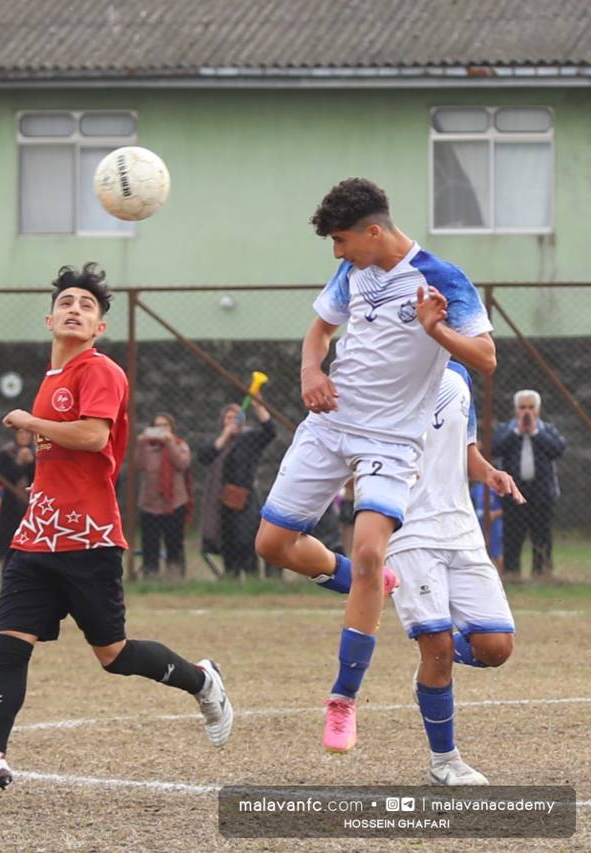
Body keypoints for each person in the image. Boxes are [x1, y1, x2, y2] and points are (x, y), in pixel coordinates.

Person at [0, 263, 232, 795]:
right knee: (10, 646)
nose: (75, 309)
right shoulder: (49, 382)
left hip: (89, 539)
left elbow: (92, 437)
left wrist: (30, 422)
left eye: (87, 306)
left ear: (99, 328)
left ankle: (202, 680)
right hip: (35, 538)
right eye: (66, 302)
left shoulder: (100, 371)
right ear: (49, 319)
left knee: (114, 655)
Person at [254, 178, 495, 753]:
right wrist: (312, 372)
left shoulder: (443, 279)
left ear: (374, 231)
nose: (337, 253)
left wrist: (436, 329)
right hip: (331, 424)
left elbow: (486, 358)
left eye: (341, 241)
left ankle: (343, 699)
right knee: (272, 544)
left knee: (368, 549)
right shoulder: (353, 274)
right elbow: (319, 331)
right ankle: (368, 584)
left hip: (390, 441)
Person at [389, 362, 522, 785]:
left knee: (495, 647)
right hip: (409, 529)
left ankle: (432, 667)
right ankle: (444, 760)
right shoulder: (383, 367)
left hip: (461, 528)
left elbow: (463, 448)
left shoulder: (458, 375)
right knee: (439, 646)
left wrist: (488, 472)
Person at [492, 390, 565, 578]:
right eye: (523, 407)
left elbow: (558, 449)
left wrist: (534, 432)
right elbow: (496, 448)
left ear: (538, 410)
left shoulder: (546, 429)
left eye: (531, 407)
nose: (527, 412)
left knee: (542, 534)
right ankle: (512, 574)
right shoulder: (506, 429)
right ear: (516, 410)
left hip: (541, 492)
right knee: (513, 535)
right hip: (514, 491)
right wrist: (518, 432)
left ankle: (541, 573)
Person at [197, 401, 274, 578]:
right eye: (228, 418)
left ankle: (252, 576)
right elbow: (204, 456)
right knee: (228, 540)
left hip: (246, 498)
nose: (232, 421)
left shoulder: (250, 438)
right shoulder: (218, 441)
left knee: (247, 539)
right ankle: (231, 576)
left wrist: (258, 406)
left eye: (235, 417)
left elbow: (270, 432)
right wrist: (225, 435)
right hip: (221, 499)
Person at [136, 413, 192, 578]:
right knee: (149, 544)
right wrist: (140, 444)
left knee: (174, 543)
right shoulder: (147, 447)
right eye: (157, 425)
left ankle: (174, 577)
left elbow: (183, 463)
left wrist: (170, 443)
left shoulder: (180, 445)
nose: (161, 429)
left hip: (174, 503)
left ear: (172, 428)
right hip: (149, 504)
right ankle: (150, 575)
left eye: (165, 425)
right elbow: (138, 464)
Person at [0, 429, 36, 582]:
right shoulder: (6, 454)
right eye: (21, 433)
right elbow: (1, 479)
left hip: (32, 502)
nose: (24, 436)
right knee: (6, 536)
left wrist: (30, 463)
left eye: (27, 433)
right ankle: (2, 569)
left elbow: (38, 476)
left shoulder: (39, 454)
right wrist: (18, 463)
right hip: (10, 502)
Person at [470, 482, 504, 569]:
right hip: (480, 524)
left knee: (496, 551)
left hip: (494, 524)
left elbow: (504, 508)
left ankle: (501, 575)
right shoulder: (477, 488)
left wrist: (495, 514)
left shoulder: (497, 488)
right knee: (480, 550)